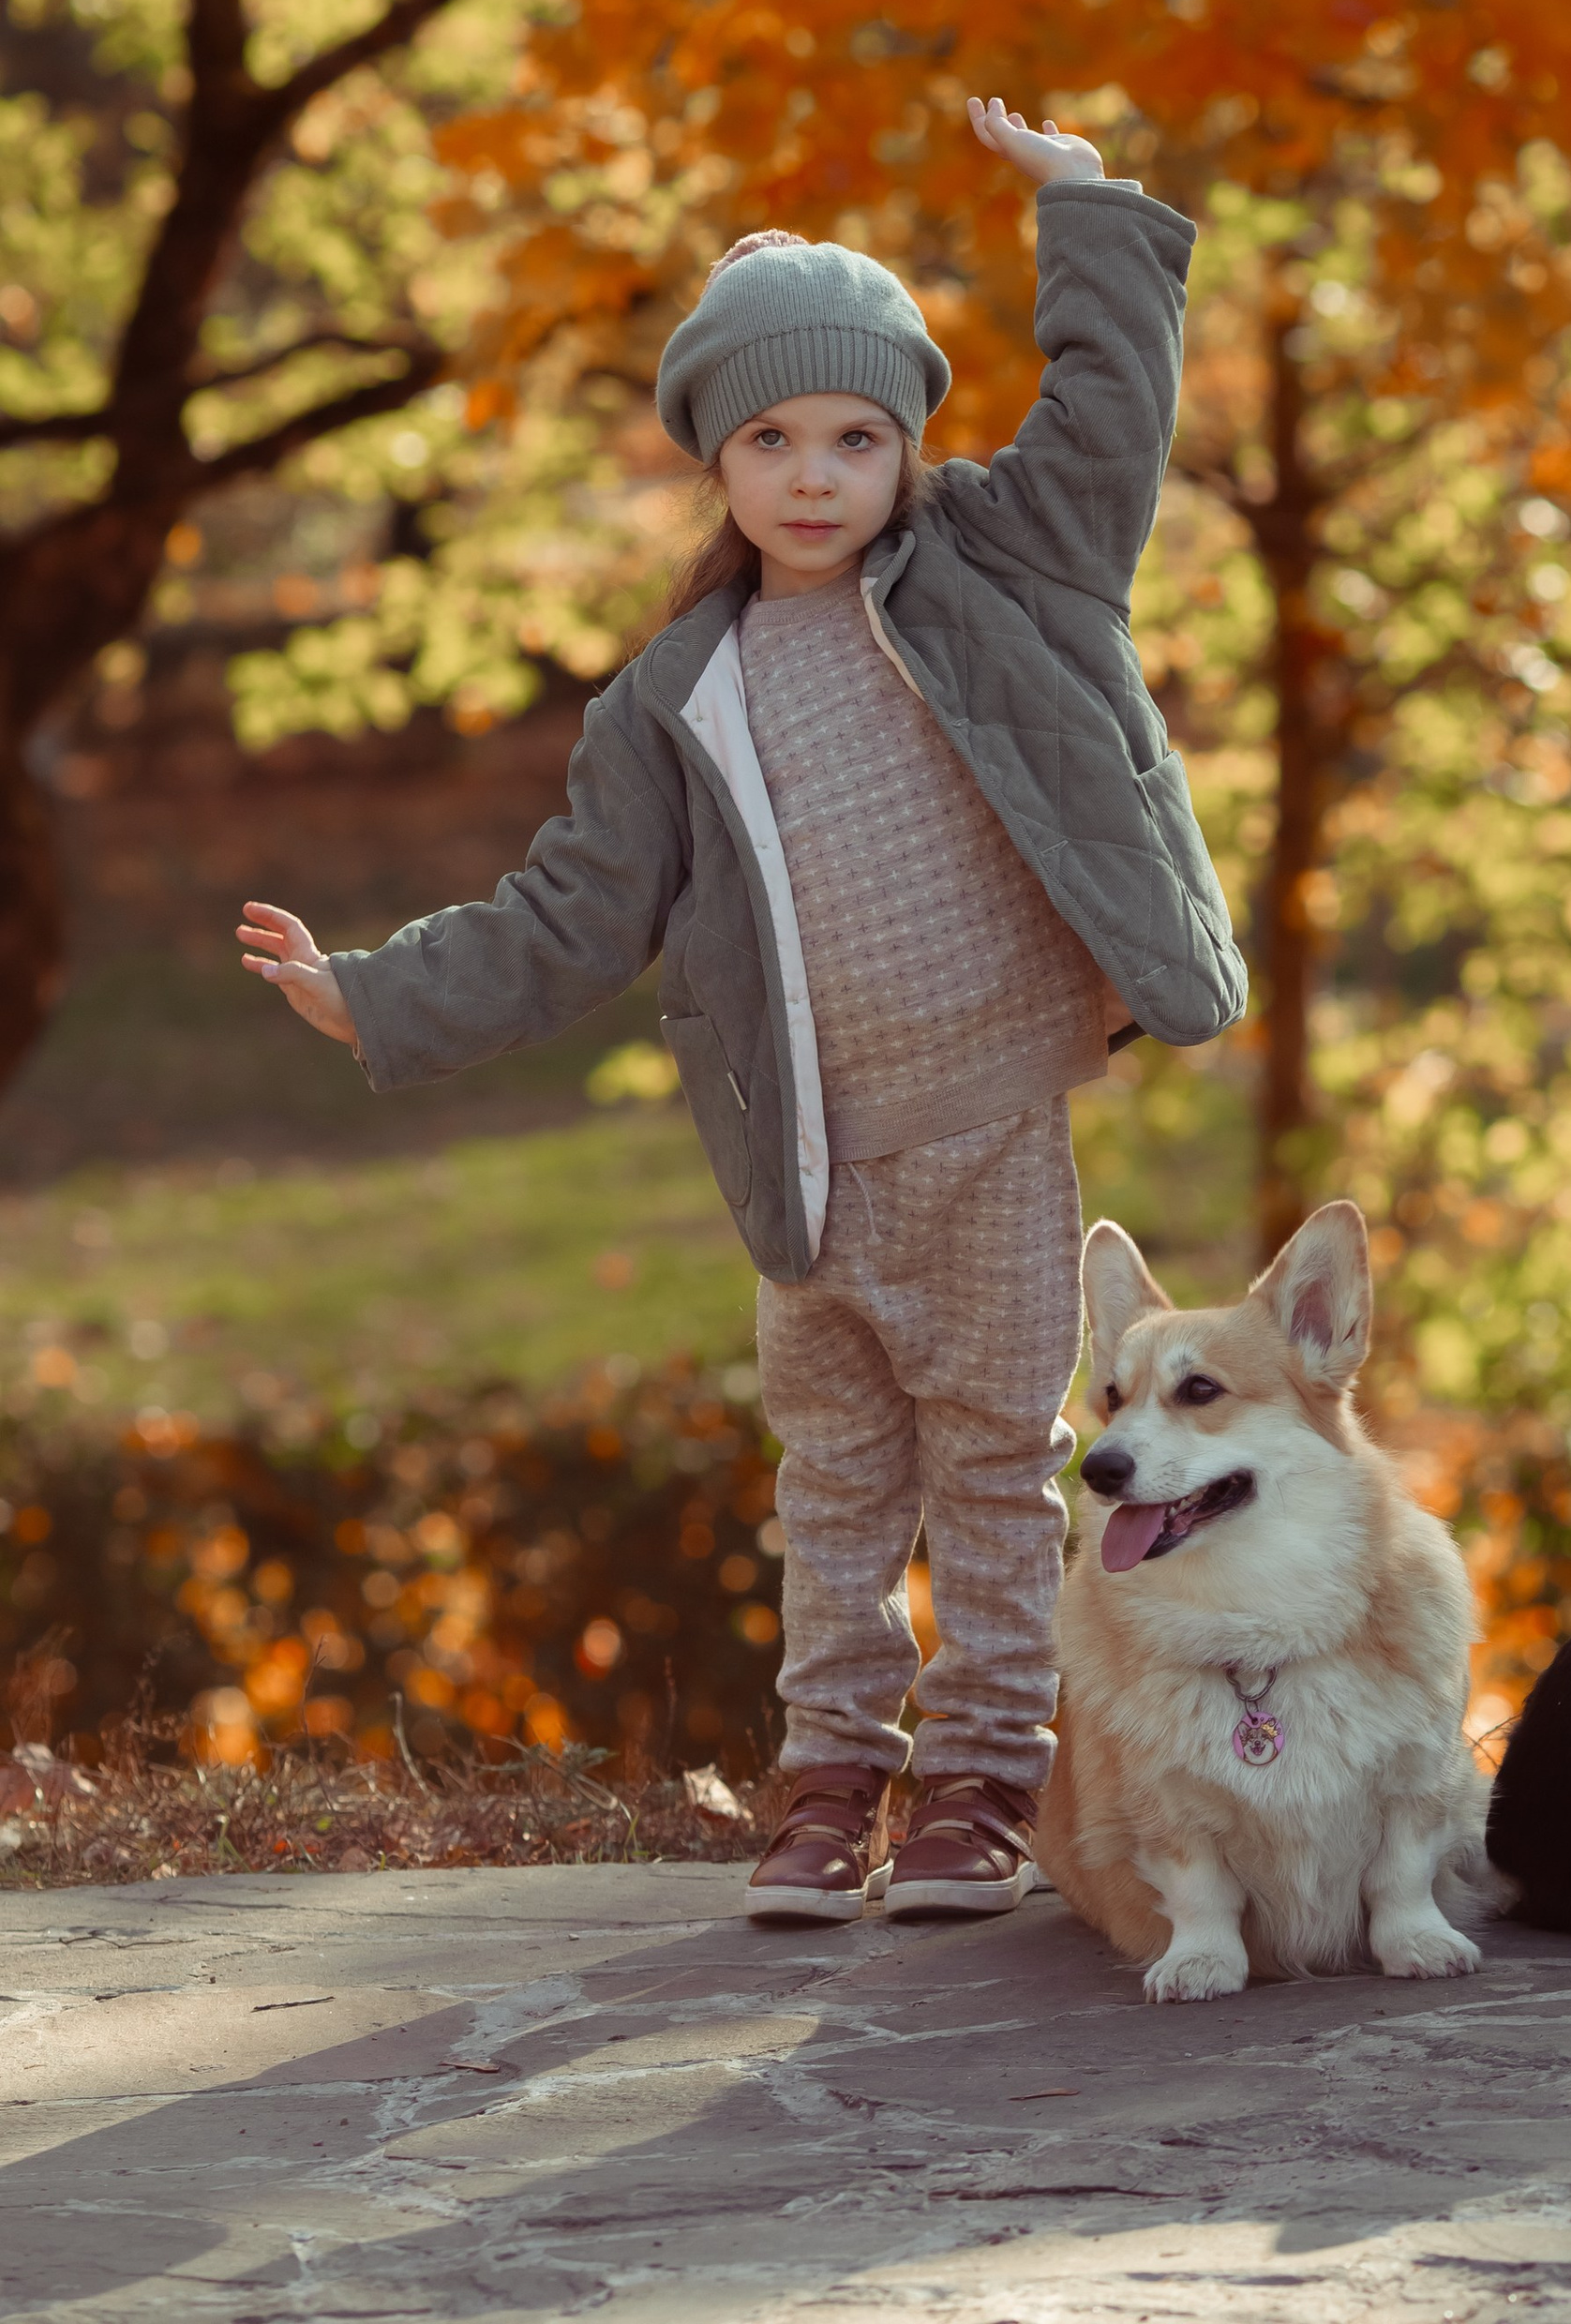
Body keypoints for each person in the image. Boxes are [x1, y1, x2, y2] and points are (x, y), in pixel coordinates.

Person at [239, 96, 1246, 1924]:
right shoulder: (665, 704)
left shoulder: (1008, 566)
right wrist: (366, 997)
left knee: (998, 1469)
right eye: (770, 438)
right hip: (802, 1158)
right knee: (839, 1483)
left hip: (988, 1126)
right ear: (714, 460)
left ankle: (980, 1781)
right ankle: (829, 1776)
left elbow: (1109, 417)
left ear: (903, 447)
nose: (812, 475)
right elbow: (567, 911)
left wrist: (1086, 208)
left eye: (855, 436)